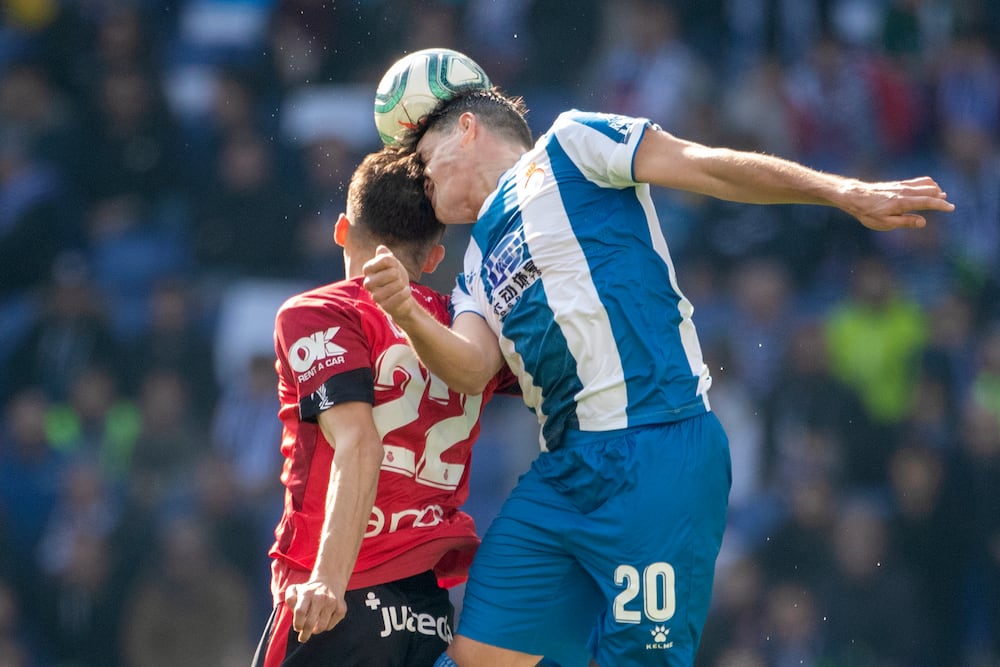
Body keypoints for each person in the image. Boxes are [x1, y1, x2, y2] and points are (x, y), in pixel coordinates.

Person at [361, 88, 955, 666]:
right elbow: (471, 368)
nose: (420, 175)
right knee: (477, 655)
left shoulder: (570, 144)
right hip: (564, 473)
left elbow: (704, 166)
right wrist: (407, 311)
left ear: (467, 129)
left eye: (425, 156)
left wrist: (839, 190)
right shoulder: (473, 266)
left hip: (658, 450)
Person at [252, 148, 513, 667]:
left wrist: (328, 580)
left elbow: (359, 442)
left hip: (339, 601)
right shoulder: (467, 334)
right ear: (433, 259)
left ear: (341, 230)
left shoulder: (321, 311)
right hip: (428, 616)